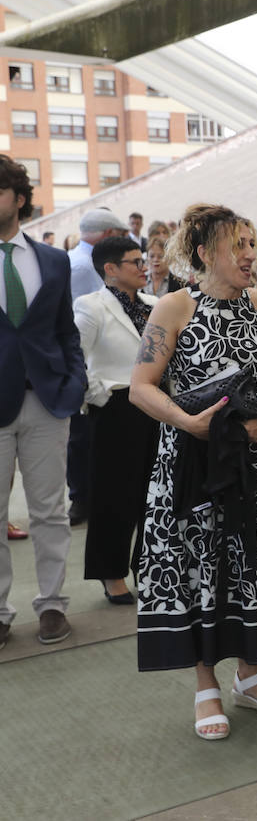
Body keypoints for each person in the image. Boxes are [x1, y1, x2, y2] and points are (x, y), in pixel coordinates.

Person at [129, 203, 257, 741]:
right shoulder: (174, 306)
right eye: (239, 246)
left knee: (255, 562)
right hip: (195, 460)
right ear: (205, 253)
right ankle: (205, 685)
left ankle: (250, 677)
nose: (251, 255)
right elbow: (140, 386)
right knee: (201, 565)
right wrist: (187, 422)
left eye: (252, 244)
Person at [0, 154, 85, 650]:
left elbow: (64, 329)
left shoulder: (53, 260)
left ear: (18, 198)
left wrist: (75, 382)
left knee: (50, 510)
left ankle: (52, 604)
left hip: (48, 400)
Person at [73, 237, 158, 606]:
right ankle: (112, 574)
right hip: (116, 408)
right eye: (135, 262)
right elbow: (75, 356)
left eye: (143, 260)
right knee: (113, 496)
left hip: (158, 405)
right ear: (110, 269)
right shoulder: (91, 305)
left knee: (155, 497)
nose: (144, 267)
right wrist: (100, 395)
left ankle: (150, 570)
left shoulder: (154, 305)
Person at [67, 208, 129, 528]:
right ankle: (83, 498)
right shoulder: (82, 266)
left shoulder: (75, 260)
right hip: (90, 362)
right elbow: (85, 319)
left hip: (95, 361)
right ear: (107, 235)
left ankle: (87, 496)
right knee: (84, 438)